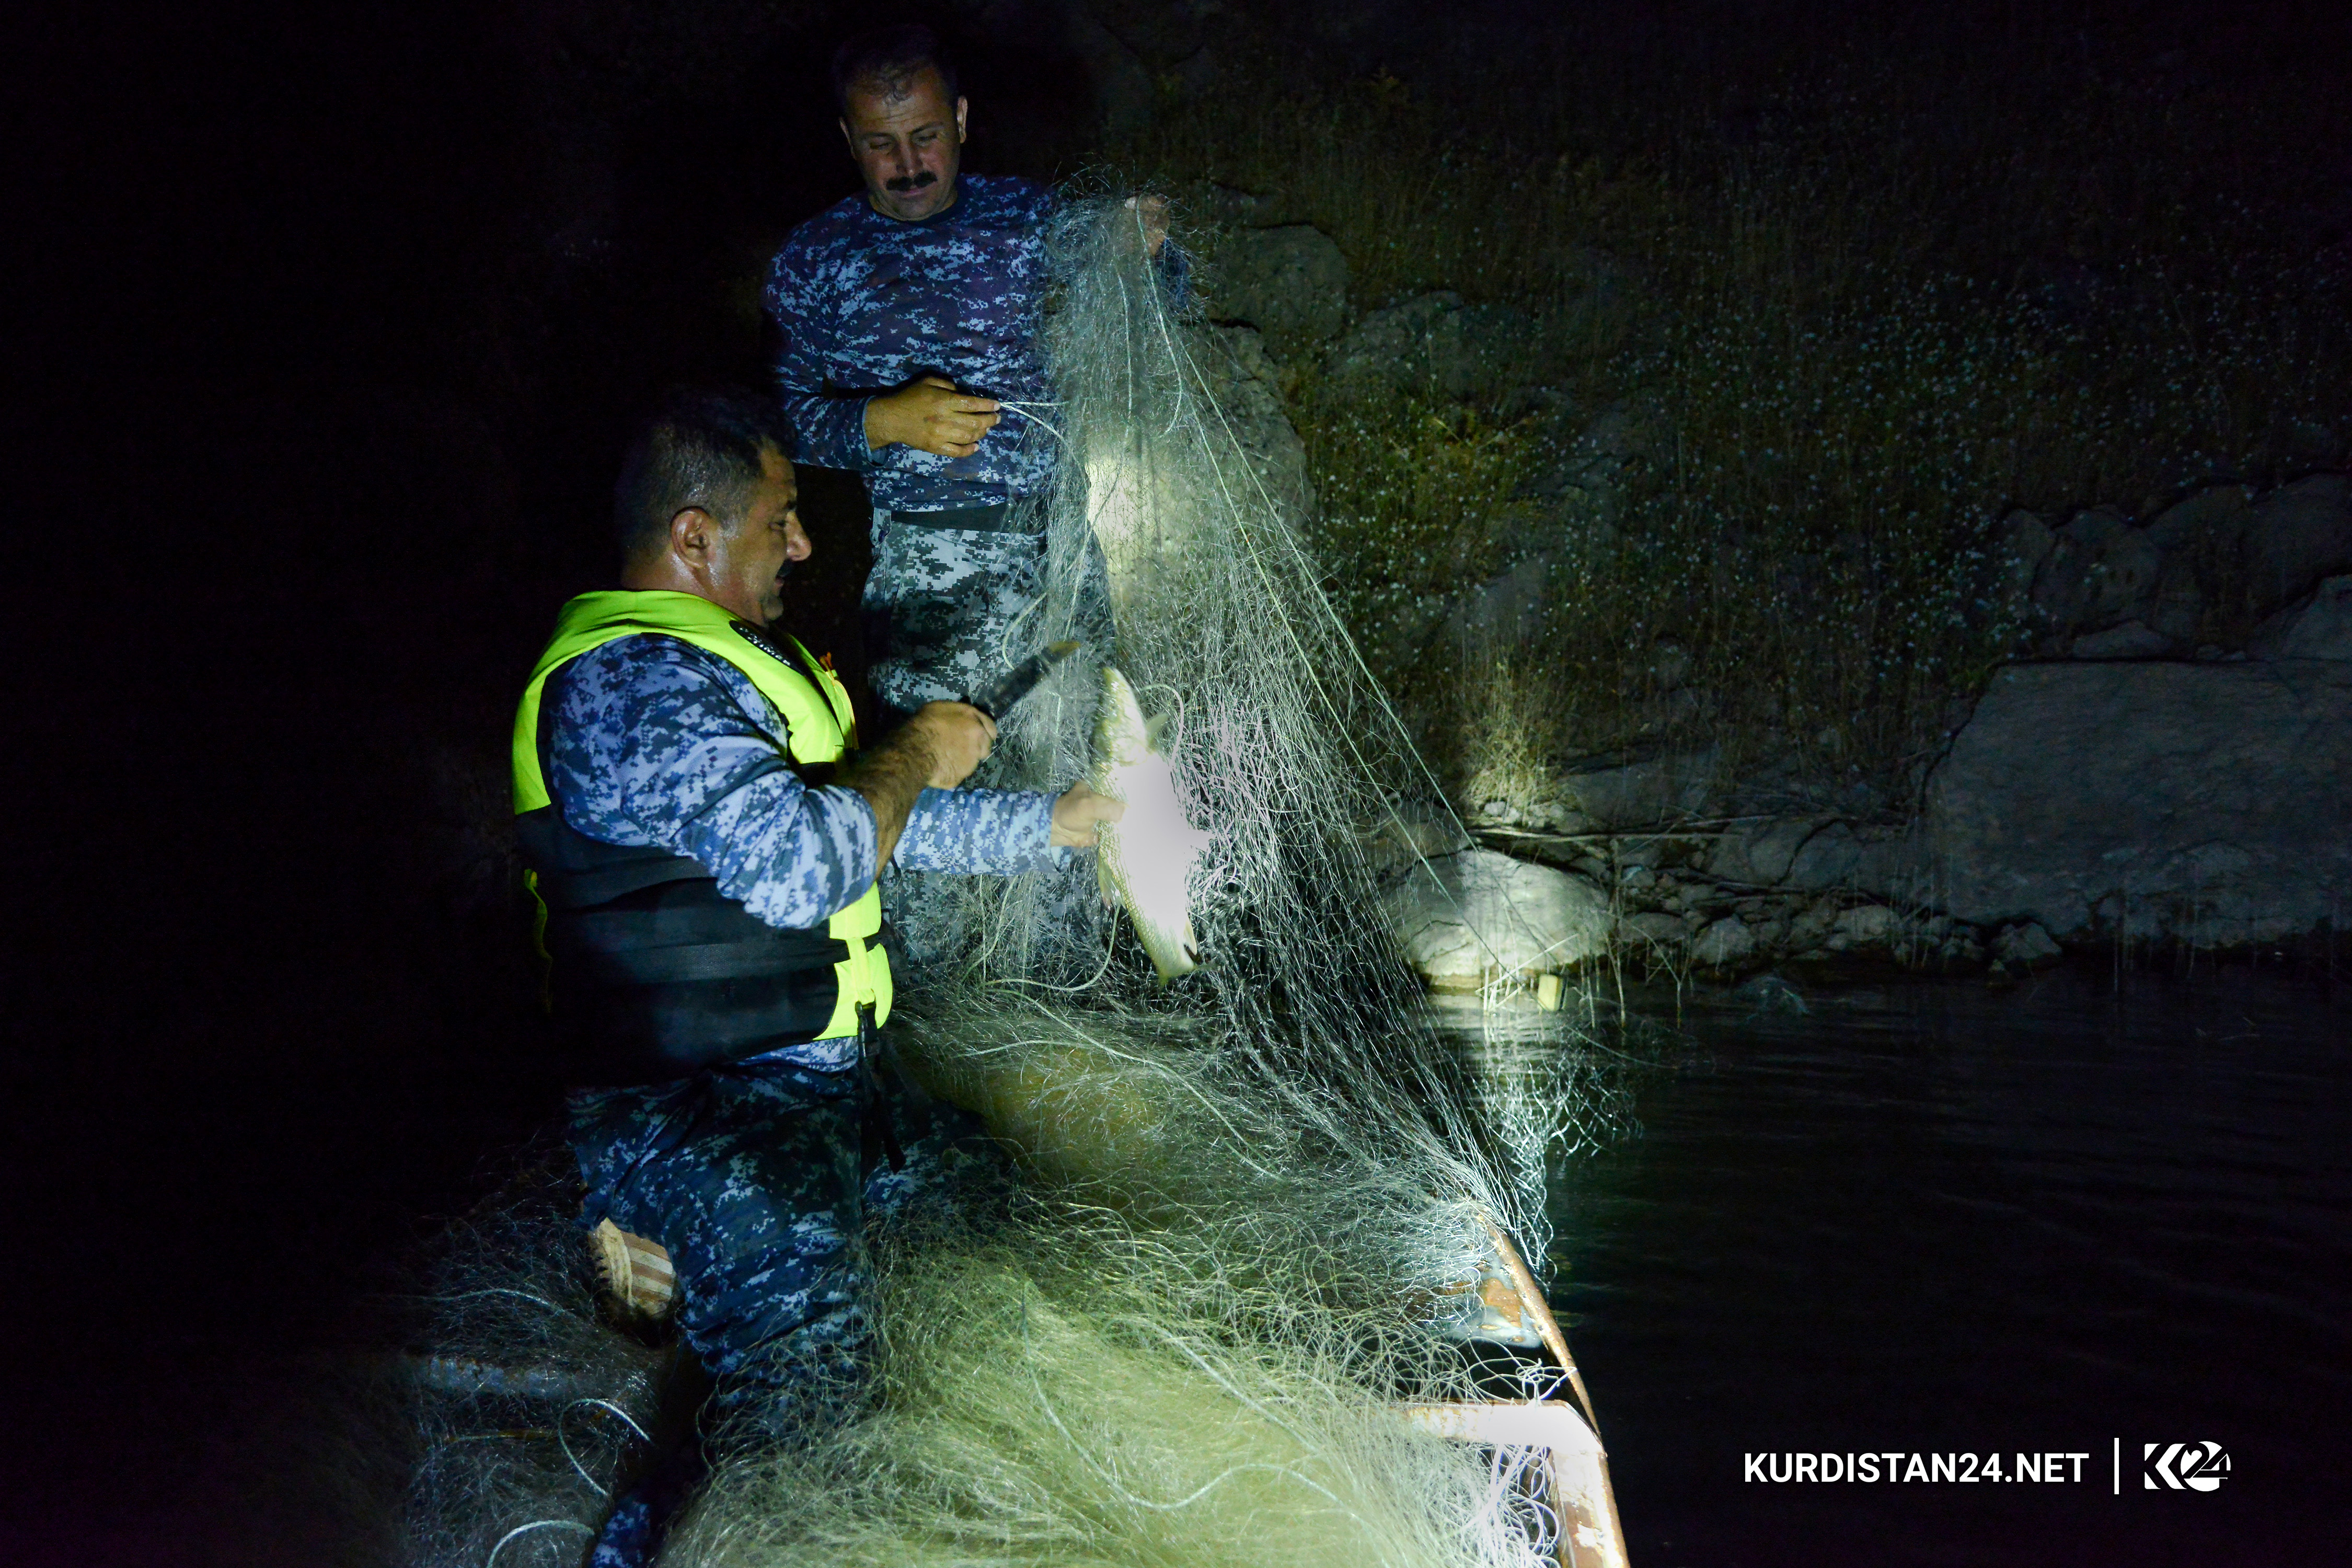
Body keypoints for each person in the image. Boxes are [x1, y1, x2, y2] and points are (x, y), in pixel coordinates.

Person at [510, 390, 1120, 1561]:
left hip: (816, 1082)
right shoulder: (632, 689)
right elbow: (802, 867)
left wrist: (1056, 822)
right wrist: (916, 751)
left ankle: (708, 1311)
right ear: (694, 538)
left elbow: (870, 828)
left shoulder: (734, 664)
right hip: (701, 1106)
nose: (801, 543)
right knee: (803, 1400)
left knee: (977, 1214)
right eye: (780, 520)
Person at [763, 21, 1178, 719]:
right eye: (880, 144)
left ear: (959, 118)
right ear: (847, 139)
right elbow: (775, 425)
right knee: (950, 784)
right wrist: (881, 419)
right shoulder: (815, 259)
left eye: (925, 135)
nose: (908, 162)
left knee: (1084, 765)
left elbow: (1150, 303)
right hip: (933, 573)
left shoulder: (1028, 215)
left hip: (1066, 549)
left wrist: (1146, 248)